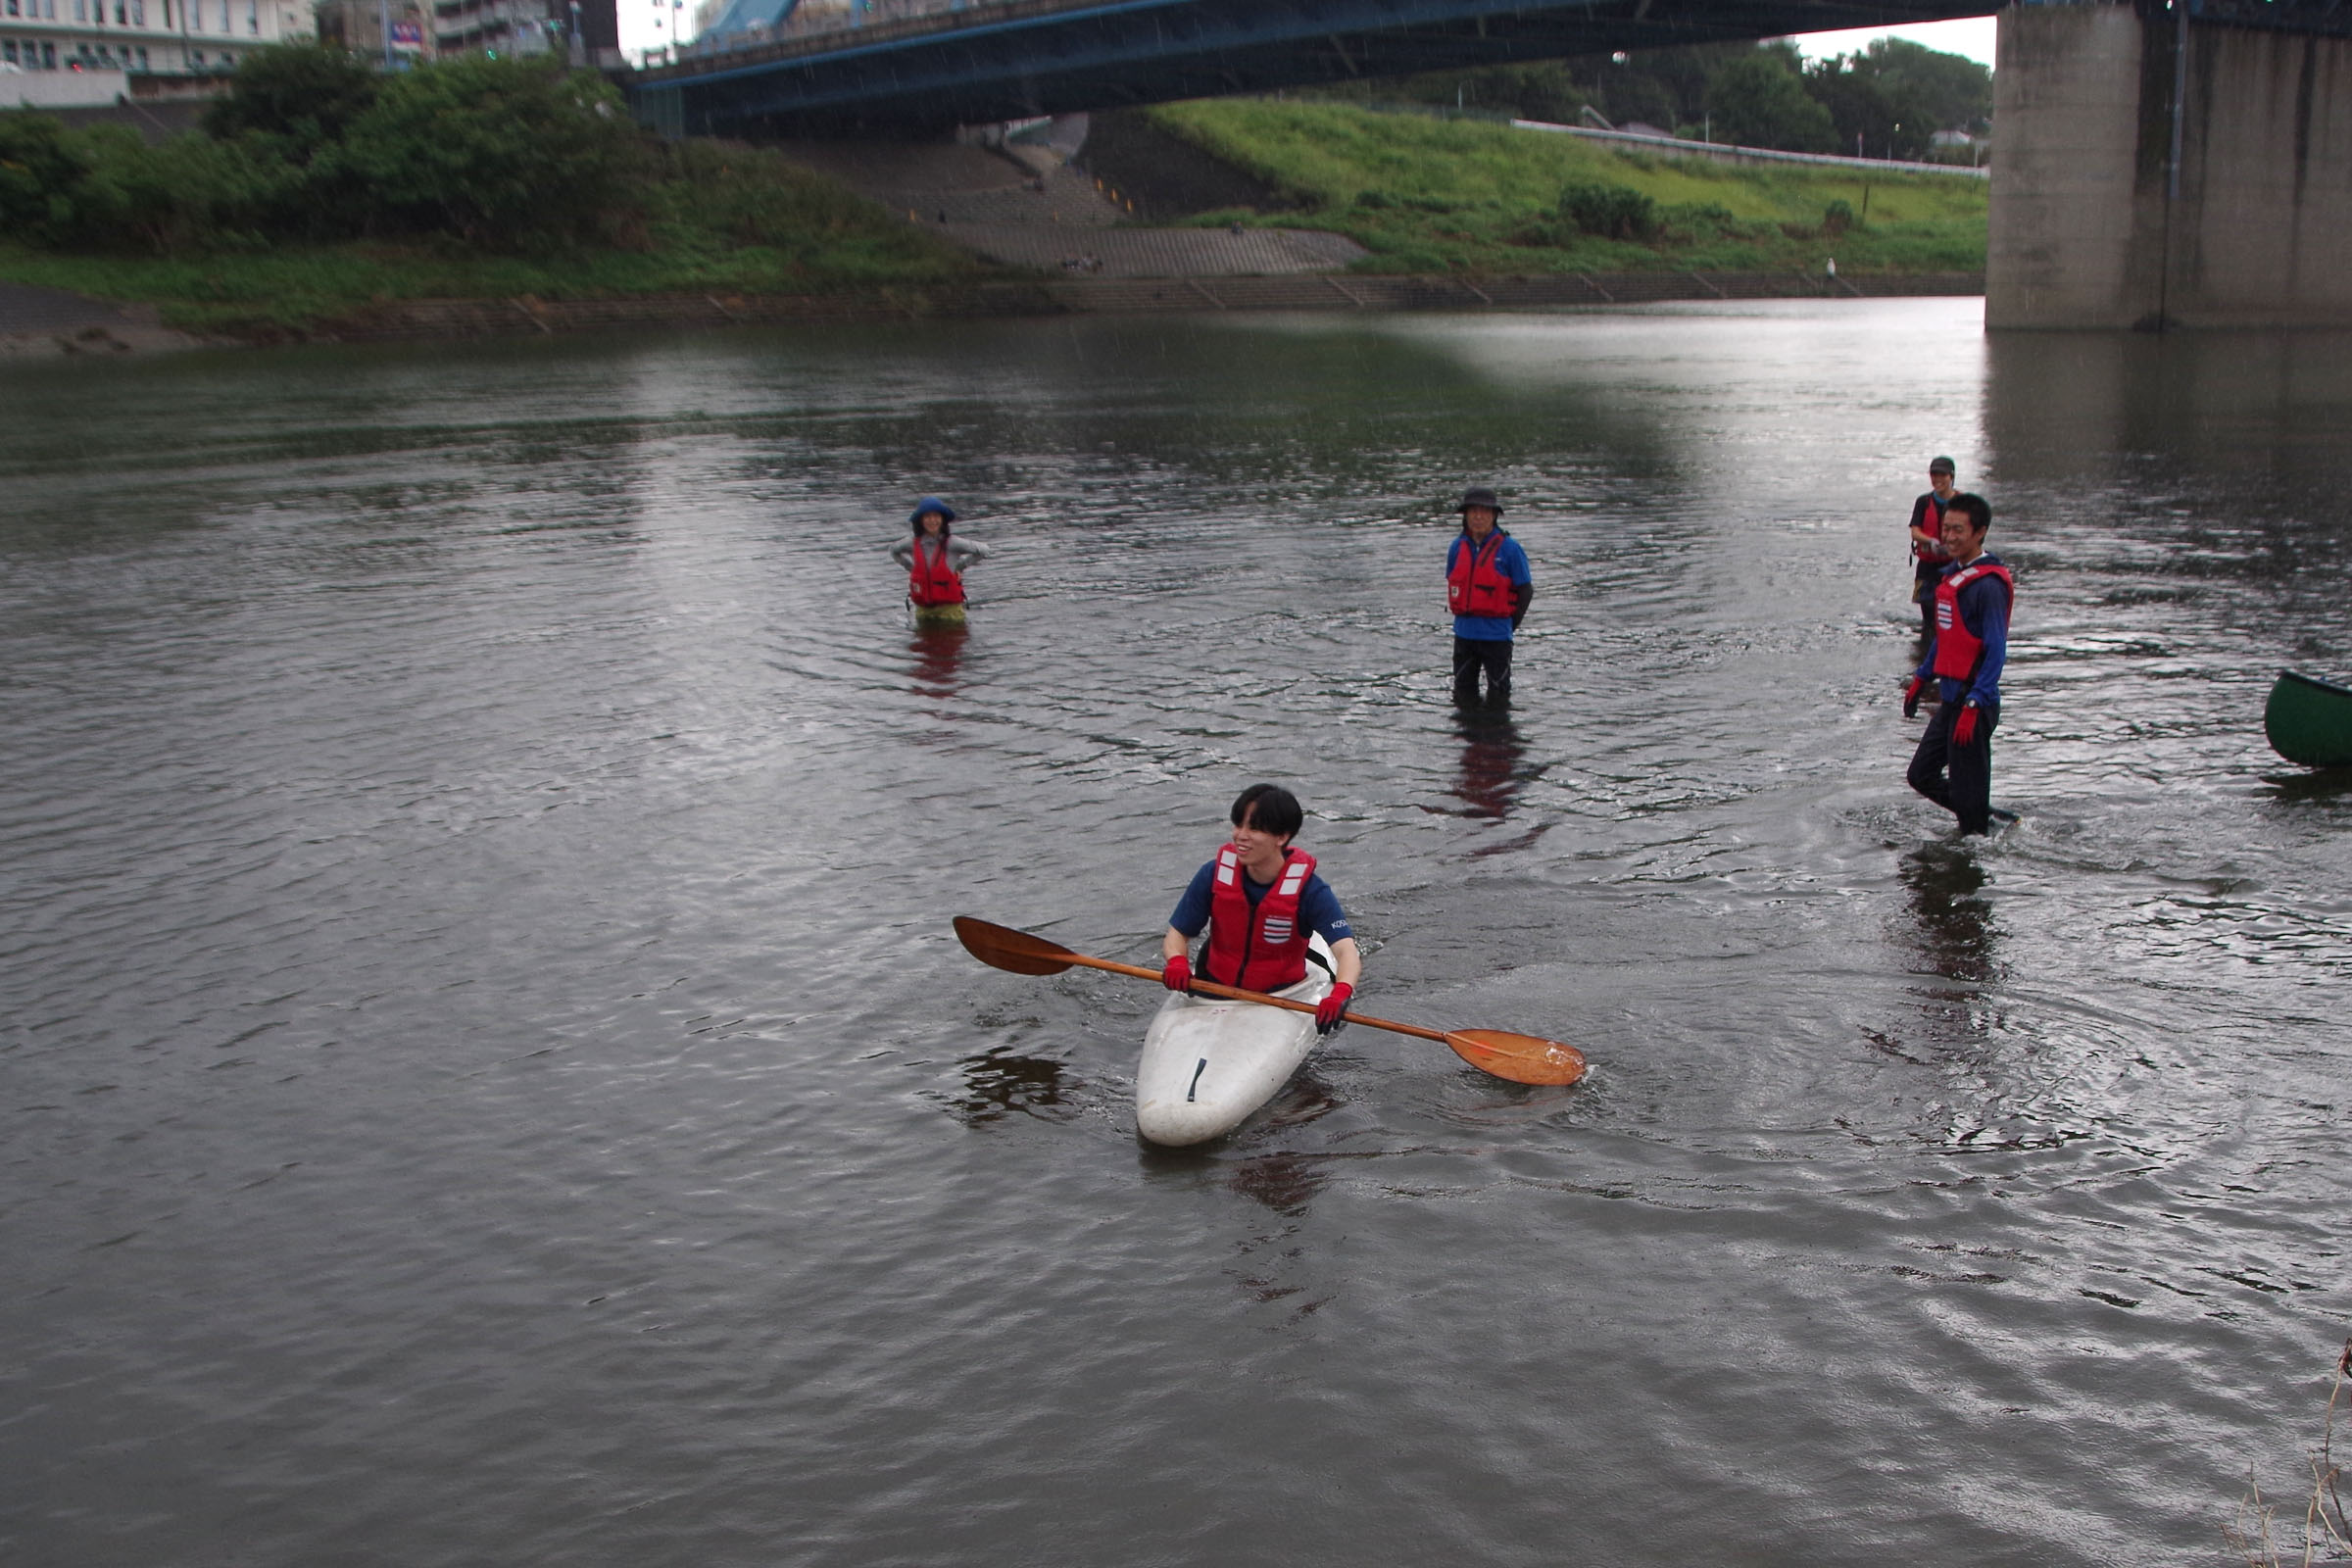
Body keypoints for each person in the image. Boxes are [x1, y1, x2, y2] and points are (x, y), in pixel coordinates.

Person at [1161, 784, 1364, 1036]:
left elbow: (1347, 953)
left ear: (1282, 837)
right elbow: (1177, 935)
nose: (1240, 835)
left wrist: (1340, 994)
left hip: (1281, 997)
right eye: (1238, 825)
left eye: (1254, 828)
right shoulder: (1212, 875)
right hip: (1211, 990)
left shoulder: (1312, 892)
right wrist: (1178, 962)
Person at [1903, 493, 2013, 837]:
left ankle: (1979, 844)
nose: (1948, 537)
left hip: (1973, 705)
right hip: (1950, 699)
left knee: (1970, 820)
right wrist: (1921, 679)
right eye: (1946, 529)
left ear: (1979, 532)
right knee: (1920, 774)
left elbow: (1996, 650)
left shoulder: (1989, 586)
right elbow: (1946, 639)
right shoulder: (1952, 576)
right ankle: (1987, 818)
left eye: (1958, 530)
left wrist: (1976, 701)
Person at [1446, 487, 1534, 707]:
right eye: (1473, 511)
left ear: (1494, 515)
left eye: (1484, 511)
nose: (1478, 516)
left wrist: (1510, 625)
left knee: (1499, 696)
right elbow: (1452, 579)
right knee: (1462, 693)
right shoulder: (1457, 547)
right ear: (1465, 516)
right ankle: (1468, 737)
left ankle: (1498, 737)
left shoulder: (1510, 549)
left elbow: (1526, 590)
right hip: (1464, 635)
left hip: (1497, 636)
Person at [889, 496, 987, 627]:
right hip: (923, 611)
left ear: (942, 520)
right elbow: (894, 550)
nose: (932, 521)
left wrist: (960, 566)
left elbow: (983, 550)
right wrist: (911, 568)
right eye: (927, 516)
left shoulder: (953, 543)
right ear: (920, 520)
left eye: (936, 516)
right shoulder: (911, 542)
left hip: (950, 612)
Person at [1907, 457, 1961, 638]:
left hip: (1954, 566)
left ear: (1951, 476)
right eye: (1933, 474)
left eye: (1942, 475)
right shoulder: (1923, 502)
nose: (1937, 479)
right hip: (1928, 567)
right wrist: (1931, 542)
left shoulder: (1963, 502)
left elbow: (1971, 532)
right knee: (1929, 616)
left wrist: (1951, 547)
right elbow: (1915, 532)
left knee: (1953, 613)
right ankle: (1927, 650)